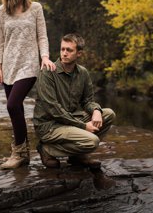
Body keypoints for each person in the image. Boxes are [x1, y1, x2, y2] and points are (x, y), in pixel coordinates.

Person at [0, 0, 56, 169]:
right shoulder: (1, 11)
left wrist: (44, 57)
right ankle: (23, 154)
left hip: (29, 65)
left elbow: (42, 36)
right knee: (16, 109)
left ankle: (18, 152)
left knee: (12, 105)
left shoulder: (36, 8)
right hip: (9, 66)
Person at [33, 34, 116, 168]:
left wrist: (96, 110)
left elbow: (88, 100)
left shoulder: (82, 73)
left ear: (79, 53)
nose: (64, 53)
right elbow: (53, 109)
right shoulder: (48, 72)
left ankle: (78, 156)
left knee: (108, 114)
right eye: (62, 49)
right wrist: (83, 126)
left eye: (69, 50)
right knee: (92, 141)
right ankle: (47, 150)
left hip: (70, 120)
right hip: (50, 125)